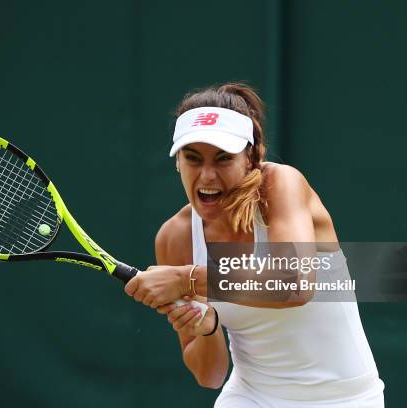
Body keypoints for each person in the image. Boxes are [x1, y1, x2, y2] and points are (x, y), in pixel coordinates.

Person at [124, 83, 385, 407]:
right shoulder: (175, 237)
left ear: (250, 158)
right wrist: (207, 329)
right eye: (192, 159)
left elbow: (294, 284)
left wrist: (185, 279)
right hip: (250, 397)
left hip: (344, 399)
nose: (206, 175)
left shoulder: (281, 184)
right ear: (178, 162)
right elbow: (210, 377)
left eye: (223, 159)